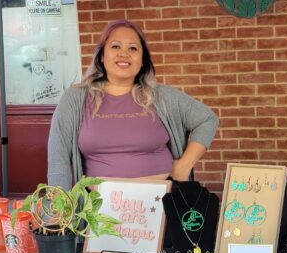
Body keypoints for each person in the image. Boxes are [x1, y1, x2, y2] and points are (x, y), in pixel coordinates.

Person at [47, 20, 218, 188]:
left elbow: (207, 119)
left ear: (142, 60)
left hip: (162, 208)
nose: (124, 53)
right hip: (97, 211)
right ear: (101, 56)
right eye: (115, 46)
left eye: (133, 48)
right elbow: (58, 159)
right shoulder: (75, 98)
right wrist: (60, 208)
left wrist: (184, 165)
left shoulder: (161, 96)